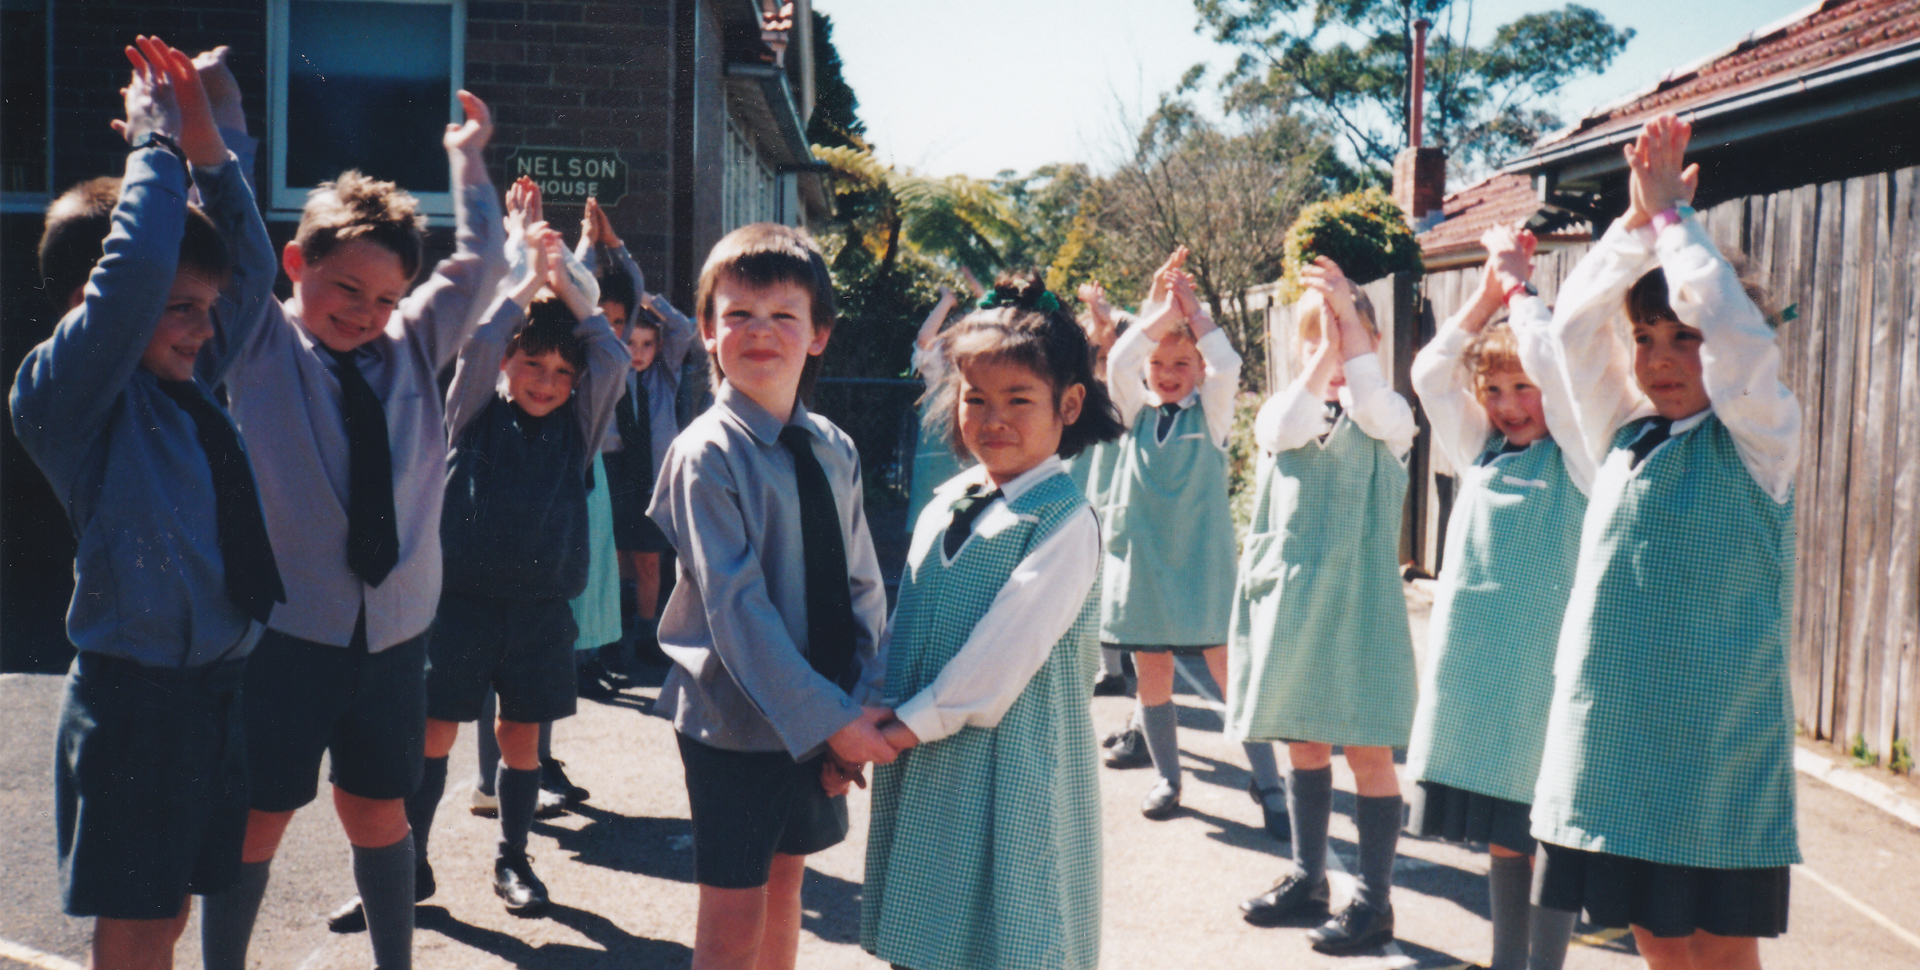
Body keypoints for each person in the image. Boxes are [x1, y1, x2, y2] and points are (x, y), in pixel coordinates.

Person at [197, 85, 507, 970]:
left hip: (395, 638)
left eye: (386, 294)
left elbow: (481, 264)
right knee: (260, 813)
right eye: (345, 288)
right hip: (287, 633)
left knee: (381, 810)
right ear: (297, 267)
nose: (365, 311)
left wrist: (468, 158)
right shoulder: (258, 340)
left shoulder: (410, 344)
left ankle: (394, 962)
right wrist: (227, 140)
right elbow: (235, 241)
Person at [12, 36, 281, 970]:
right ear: (100, 304)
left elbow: (248, 274)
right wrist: (154, 148)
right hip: (135, 706)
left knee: (165, 917)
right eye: (182, 308)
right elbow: (132, 282)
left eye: (206, 309)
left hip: (211, 695)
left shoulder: (192, 378)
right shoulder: (71, 397)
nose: (206, 326)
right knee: (134, 927)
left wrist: (211, 148)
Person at [1530, 114, 1801, 970]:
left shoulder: (1760, 437)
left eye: (1681, 339)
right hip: (1617, 739)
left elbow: (1729, 324)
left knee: (1721, 947)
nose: (1660, 358)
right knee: (1653, 936)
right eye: (1645, 339)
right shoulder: (1619, 434)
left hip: (1714, 746)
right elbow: (1573, 327)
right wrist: (1633, 227)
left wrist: (1679, 228)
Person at [650, 223, 896, 970]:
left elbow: (863, 585)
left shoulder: (833, 445)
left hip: (826, 714)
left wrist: (861, 700)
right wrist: (833, 721)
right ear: (705, 330)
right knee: (733, 909)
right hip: (736, 724)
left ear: (819, 335)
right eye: (738, 315)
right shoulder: (705, 454)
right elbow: (738, 614)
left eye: (784, 315)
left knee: (789, 880)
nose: (761, 332)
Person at [860, 279, 1124, 970]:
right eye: (976, 398)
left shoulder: (1064, 522)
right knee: (923, 937)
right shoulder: (950, 501)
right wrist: (870, 710)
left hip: (1011, 768)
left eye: (1019, 400)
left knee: (1001, 940)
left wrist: (889, 733)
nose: (993, 418)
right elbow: (906, 627)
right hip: (924, 752)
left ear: (1069, 405)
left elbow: (997, 662)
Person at [394, 217, 625, 916]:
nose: (548, 383)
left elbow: (609, 359)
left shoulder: (580, 428)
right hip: (459, 605)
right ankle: (409, 863)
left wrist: (570, 286)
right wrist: (529, 279)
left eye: (562, 373)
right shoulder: (469, 413)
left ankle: (513, 860)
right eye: (533, 367)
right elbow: (485, 336)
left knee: (519, 740)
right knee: (433, 736)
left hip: (538, 613)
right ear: (506, 366)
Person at [1405, 225, 1588, 970]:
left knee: (1551, 831)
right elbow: (1428, 372)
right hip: (1485, 683)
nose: (1511, 406)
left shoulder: (1582, 456)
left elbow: (1560, 371)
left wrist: (1523, 292)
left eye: (1526, 390)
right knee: (1505, 834)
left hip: (1549, 682)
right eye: (1496, 391)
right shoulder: (1476, 449)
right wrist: (1485, 294)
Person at [1228, 256, 1419, 954]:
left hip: (1363, 606)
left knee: (1368, 749)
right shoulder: (1286, 415)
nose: (1334, 353)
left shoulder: (1389, 418)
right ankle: (1309, 878)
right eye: (1317, 339)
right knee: (1303, 740)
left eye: (1348, 336)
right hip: (1296, 604)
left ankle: (1373, 902)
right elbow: (1287, 423)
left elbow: (1371, 404)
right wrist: (1324, 355)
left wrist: (1349, 335)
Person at [1099, 249, 1277, 826]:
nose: (1168, 372)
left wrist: (1196, 315)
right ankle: (1169, 778)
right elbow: (1120, 361)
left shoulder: (1214, 414)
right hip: (1145, 562)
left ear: (1198, 370)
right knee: (1152, 674)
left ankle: (1270, 782)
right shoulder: (1132, 413)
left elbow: (1228, 366)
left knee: (1228, 671)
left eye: (1182, 362)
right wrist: (1155, 308)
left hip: (1202, 563)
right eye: (1160, 363)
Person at [580, 195, 705, 674]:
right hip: (615, 470)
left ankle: (648, 635)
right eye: (630, 340)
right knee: (614, 558)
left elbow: (684, 329)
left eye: (646, 344)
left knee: (651, 560)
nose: (638, 351)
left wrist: (647, 295)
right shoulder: (612, 366)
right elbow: (604, 312)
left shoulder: (664, 375)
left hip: (654, 477)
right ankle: (613, 635)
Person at [1069, 279, 1132, 698]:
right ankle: (1108, 668)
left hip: (1117, 492)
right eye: (1098, 356)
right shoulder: (1086, 396)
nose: (1105, 363)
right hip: (1086, 488)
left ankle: (1118, 661)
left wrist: (1100, 307)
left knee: (1112, 572)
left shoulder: (1129, 394)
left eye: (1112, 356)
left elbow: (1126, 333)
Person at [905, 283, 970, 530]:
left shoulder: (982, 371)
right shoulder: (937, 366)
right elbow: (924, 339)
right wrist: (946, 300)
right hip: (937, 458)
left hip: (969, 455)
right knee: (932, 517)